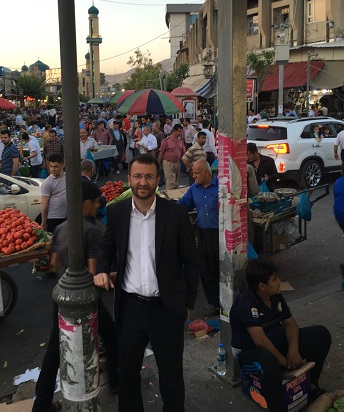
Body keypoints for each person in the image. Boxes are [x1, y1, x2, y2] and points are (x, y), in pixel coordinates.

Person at [94, 154, 199, 412]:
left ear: (158, 179)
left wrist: (187, 304)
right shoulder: (116, 213)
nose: (143, 182)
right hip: (129, 308)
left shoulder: (176, 214)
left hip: (166, 309)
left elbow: (191, 262)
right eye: (138, 176)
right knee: (127, 374)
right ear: (128, 178)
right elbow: (106, 249)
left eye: (149, 176)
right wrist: (102, 270)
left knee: (171, 376)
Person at [33, 181, 119, 411]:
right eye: (95, 202)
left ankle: (40, 403)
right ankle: (117, 383)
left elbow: (54, 263)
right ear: (87, 203)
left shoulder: (63, 228)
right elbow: (93, 272)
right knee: (110, 336)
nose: (98, 205)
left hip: (61, 298)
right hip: (87, 300)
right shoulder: (93, 230)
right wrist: (116, 275)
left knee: (54, 350)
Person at [230, 258, 331, 412]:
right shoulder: (245, 302)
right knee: (269, 364)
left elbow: (290, 323)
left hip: (276, 343)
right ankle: (277, 408)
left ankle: (311, 385)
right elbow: (260, 341)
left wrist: (293, 349)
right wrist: (285, 362)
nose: (279, 282)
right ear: (261, 286)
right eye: (275, 279)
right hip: (250, 354)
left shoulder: (275, 295)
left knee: (321, 334)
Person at [178, 159, 220, 316]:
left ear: (206, 173)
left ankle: (229, 300)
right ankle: (215, 303)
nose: (193, 175)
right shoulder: (194, 189)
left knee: (221, 268)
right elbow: (184, 204)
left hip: (221, 233)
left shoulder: (221, 187)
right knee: (206, 270)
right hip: (203, 233)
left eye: (196, 173)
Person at [41, 153, 66, 233]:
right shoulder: (47, 182)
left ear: (62, 165)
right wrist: (44, 221)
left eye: (55, 166)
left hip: (66, 216)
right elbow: (44, 203)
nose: (52, 169)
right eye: (51, 166)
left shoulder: (67, 177)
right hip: (53, 218)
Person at [158, 124, 186, 190]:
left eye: (181, 131)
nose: (180, 133)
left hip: (177, 163)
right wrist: (158, 163)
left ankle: (174, 196)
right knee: (170, 182)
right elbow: (161, 153)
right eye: (179, 131)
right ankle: (168, 198)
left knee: (176, 182)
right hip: (168, 163)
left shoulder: (180, 141)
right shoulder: (166, 141)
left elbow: (183, 154)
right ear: (174, 131)